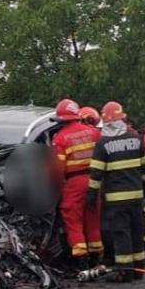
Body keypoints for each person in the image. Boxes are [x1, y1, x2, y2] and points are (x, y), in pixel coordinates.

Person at [88, 101, 145, 282]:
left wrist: (91, 196)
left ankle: (124, 271)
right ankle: (139, 269)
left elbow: (96, 174)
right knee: (136, 231)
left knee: (121, 233)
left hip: (116, 199)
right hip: (136, 196)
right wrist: (143, 188)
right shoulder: (136, 139)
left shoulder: (102, 144)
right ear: (122, 119)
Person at [52, 99, 103, 270]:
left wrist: (55, 186)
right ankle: (96, 257)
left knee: (73, 219)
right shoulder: (94, 133)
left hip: (74, 183)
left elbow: (58, 170)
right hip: (96, 181)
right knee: (93, 218)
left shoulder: (60, 138)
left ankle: (81, 262)